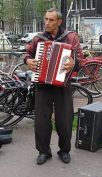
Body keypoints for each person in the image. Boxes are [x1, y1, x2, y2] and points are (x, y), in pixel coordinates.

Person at [24, 8, 83, 165]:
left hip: (63, 86)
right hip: (43, 85)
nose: (46, 23)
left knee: (64, 121)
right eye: (45, 19)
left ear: (59, 22)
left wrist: (73, 63)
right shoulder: (38, 39)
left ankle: (64, 150)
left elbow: (80, 59)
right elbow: (28, 54)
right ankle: (44, 152)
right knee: (41, 122)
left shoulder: (71, 38)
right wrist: (27, 61)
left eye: (50, 20)